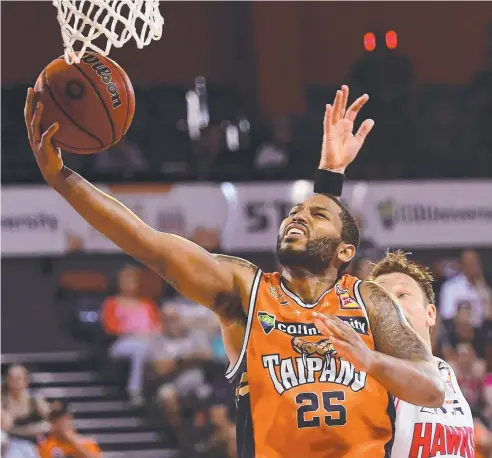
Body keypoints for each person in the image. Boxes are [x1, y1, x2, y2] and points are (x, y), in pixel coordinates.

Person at [25, 84, 445, 458]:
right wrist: (61, 178)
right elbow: (146, 241)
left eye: (315, 215)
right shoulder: (246, 290)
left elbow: (431, 388)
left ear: (345, 251)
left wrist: (369, 360)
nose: (297, 217)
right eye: (295, 212)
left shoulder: (367, 300)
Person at [315, 251, 476, 457]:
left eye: (402, 295)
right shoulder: (362, 377)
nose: (390, 304)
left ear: (430, 313)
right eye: (380, 298)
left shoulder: (447, 373)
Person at [146, 306, 213, 446]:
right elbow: (160, 368)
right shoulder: (157, 341)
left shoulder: (194, 336)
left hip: (197, 385)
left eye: (175, 319)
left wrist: (176, 362)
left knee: (213, 395)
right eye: (168, 320)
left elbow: (207, 354)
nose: (172, 323)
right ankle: (180, 436)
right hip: (173, 386)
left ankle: (203, 438)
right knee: (166, 395)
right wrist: (185, 359)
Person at [101, 264, 161, 406]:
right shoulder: (112, 303)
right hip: (122, 343)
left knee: (154, 349)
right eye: (125, 280)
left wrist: (151, 333)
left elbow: (157, 325)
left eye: (132, 280)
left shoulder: (147, 304)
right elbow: (110, 328)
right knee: (140, 349)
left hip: (149, 341)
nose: (129, 283)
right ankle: (134, 390)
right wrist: (135, 333)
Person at [1, 365, 50, 458]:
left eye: (18, 378)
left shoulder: (34, 399)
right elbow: (5, 426)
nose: (14, 382)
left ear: (26, 380)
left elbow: (51, 422)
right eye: (11, 378)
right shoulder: (3, 399)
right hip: (10, 444)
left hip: (34, 443)